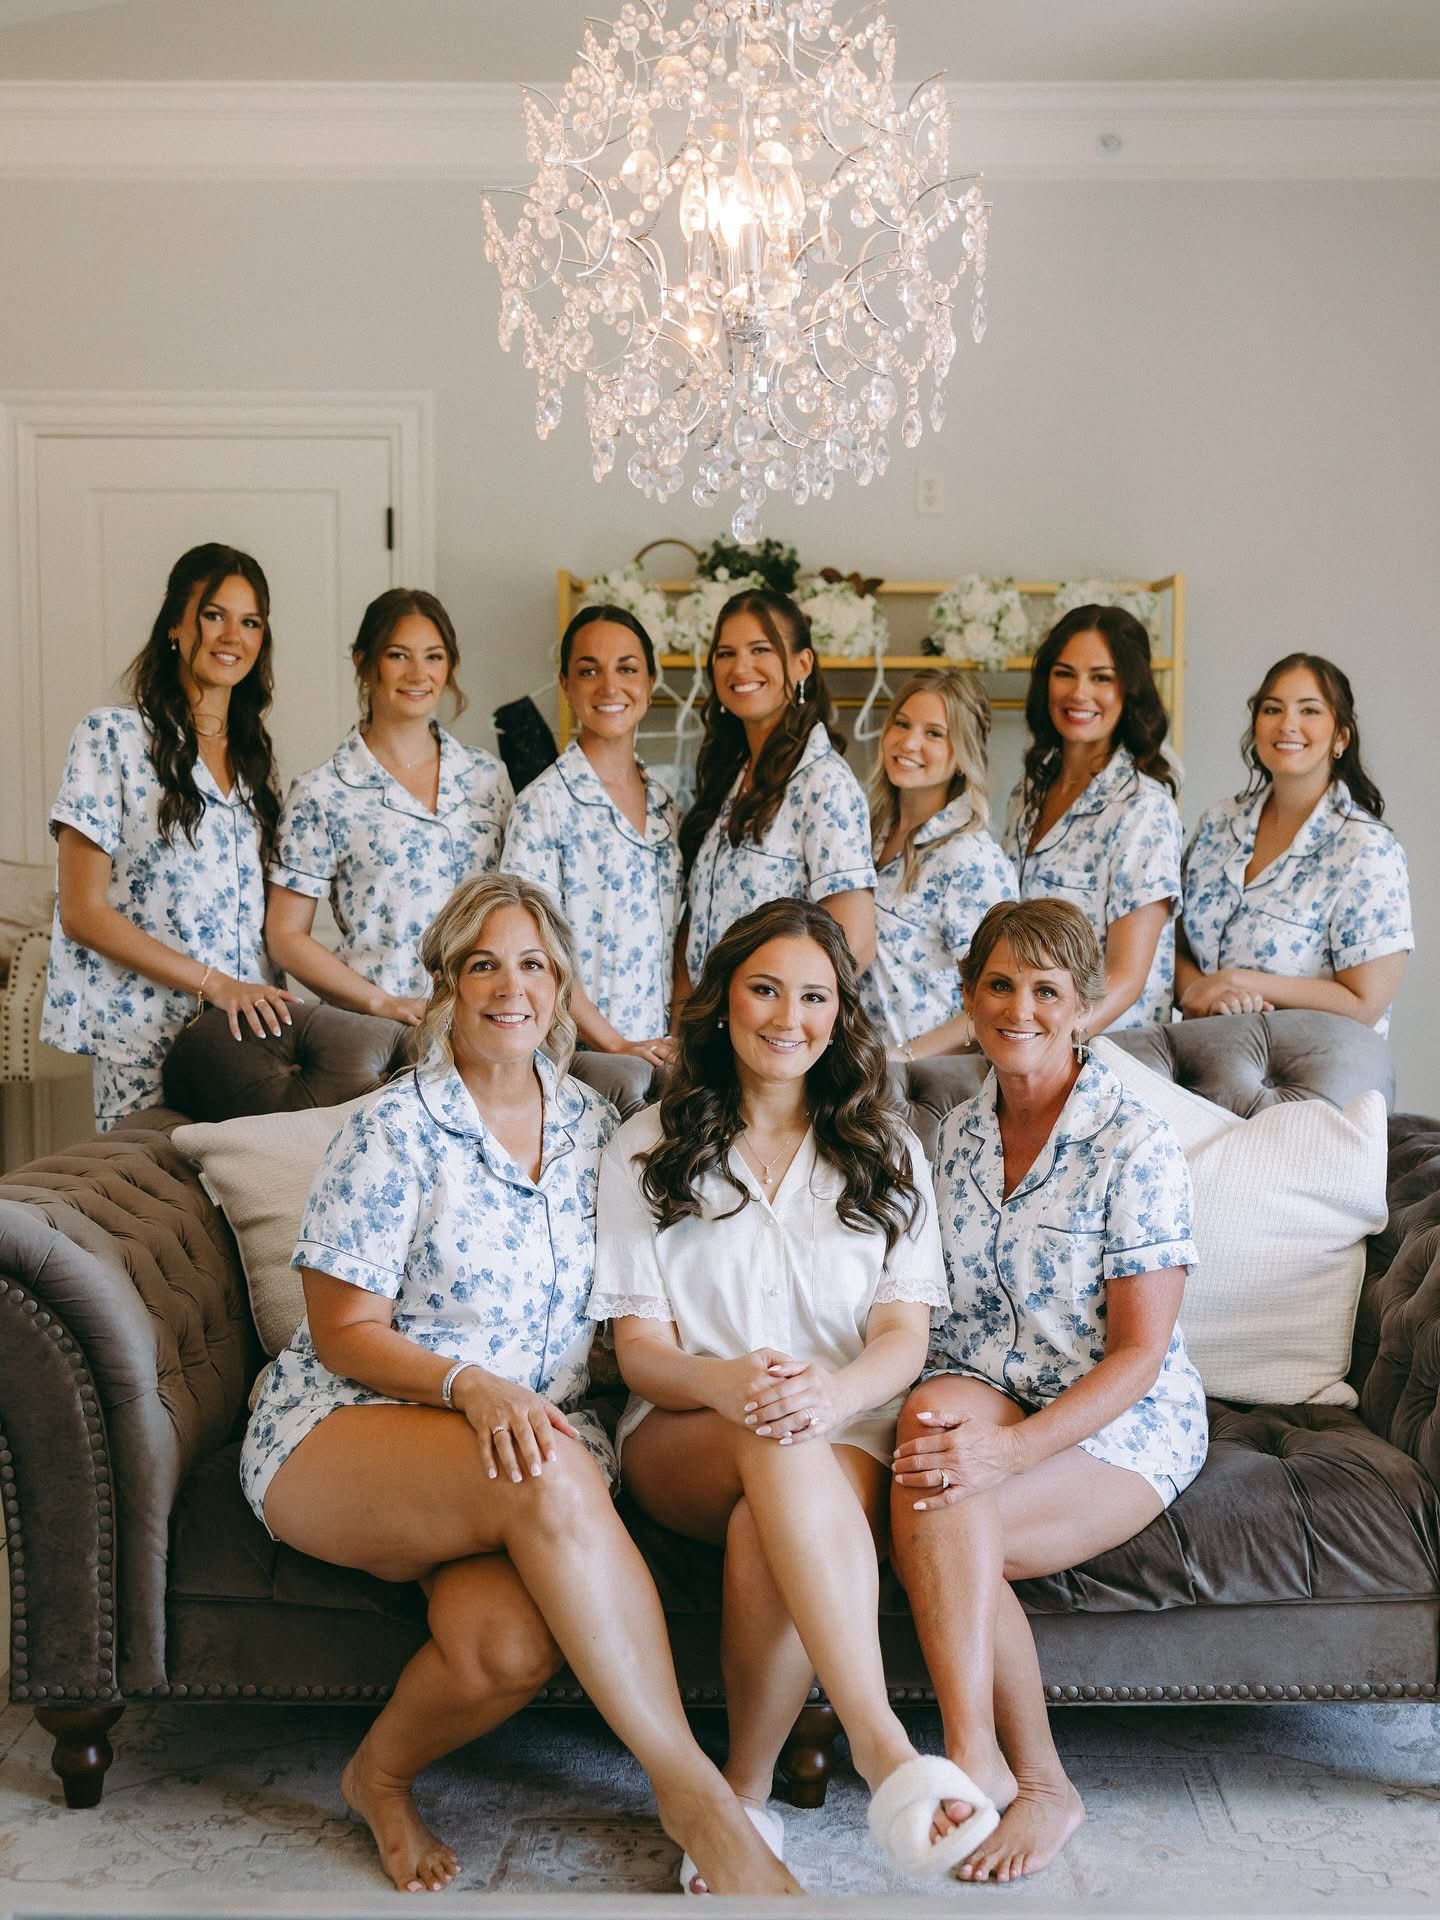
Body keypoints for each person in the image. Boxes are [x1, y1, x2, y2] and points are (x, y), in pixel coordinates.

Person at [240, 874, 801, 1899]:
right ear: (447, 984)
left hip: (518, 1448)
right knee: (546, 1467)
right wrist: (471, 1386)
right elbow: (341, 1331)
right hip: (353, 1428)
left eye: (534, 965)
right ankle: (701, 1805)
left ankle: (378, 1776)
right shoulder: (392, 1129)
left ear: (562, 987)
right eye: (483, 964)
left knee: (507, 1651)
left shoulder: (598, 1129)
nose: (511, 987)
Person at [590, 897, 1000, 1889]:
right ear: (723, 1003)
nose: (787, 1017)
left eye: (813, 996)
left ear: (839, 1014)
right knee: (770, 1435)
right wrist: (722, 1384)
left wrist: (834, 1392)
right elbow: (639, 1350)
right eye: (765, 989)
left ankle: (742, 1797)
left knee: (771, 1500)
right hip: (683, 1430)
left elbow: (904, 1337)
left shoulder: (889, 1147)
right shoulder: (642, 1147)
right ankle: (879, 1744)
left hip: (844, 1432)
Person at [890, 898, 1207, 1883]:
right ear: (969, 996)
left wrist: (1012, 1453)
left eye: (1045, 990)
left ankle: (1023, 1775)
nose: (1018, 1008)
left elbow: (1139, 1356)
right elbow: (943, 1317)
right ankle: (988, 1758)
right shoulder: (959, 1132)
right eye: (998, 985)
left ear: (1083, 1008)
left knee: (948, 1497)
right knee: (930, 1434)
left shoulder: (1135, 1143)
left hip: (1121, 1415)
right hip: (994, 1381)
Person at [42, 542, 297, 1128]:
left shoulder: (254, 762)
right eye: (214, 615)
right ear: (175, 627)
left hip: (244, 1044)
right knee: (143, 1211)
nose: (232, 635)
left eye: (250, 621)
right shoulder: (111, 739)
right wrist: (216, 984)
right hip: (144, 1038)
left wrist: (245, 994)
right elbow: (83, 911)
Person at [264, 588, 512, 1026]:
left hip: (486, 1024)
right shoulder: (323, 792)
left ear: (450, 665)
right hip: (380, 1035)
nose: (418, 673)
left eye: (434, 657)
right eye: (398, 655)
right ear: (364, 664)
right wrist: (381, 1003)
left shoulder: (487, 778)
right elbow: (284, 936)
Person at [1177, 652, 1410, 1031]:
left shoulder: (1366, 849)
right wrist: (1203, 993)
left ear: (1341, 737)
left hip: (1308, 1071)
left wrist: (1240, 981)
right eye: (1272, 710)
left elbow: (1365, 1002)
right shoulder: (1218, 824)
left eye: (1309, 711)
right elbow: (1172, 945)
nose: (1287, 724)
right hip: (1197, 1057)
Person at [677, 589, 875, 1012]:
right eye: (725, 653)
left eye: (760, 649)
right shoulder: (731, 774)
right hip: (708, 1036)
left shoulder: (824, 782)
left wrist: (777, 1017)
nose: (740, 667)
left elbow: (854, 941)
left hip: (771, 1042)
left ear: (802, 664)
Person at [502, 604, 681, 1068]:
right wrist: (616, 1045)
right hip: (578, 1062)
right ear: (565, 685)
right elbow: (531, 950)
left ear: (651, 681)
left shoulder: (666, 805)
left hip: (662, 1059)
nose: (609, 686)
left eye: (627, 668)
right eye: (588, 671)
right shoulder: (543, 805)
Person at [1002, 605, 1182, 1030]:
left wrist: (1050, 1043)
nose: (1079, 693)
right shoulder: (1027, 793)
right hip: (1023, 1038)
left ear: (1130, 689)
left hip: (1104, 1054)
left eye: (1101, 677)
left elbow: (1126, 978)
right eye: (1064, 673)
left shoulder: (1143, 808)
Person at [863, 668, 1018, 1060]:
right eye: (901, 724)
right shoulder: (864, 833)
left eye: (934, 733)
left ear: (963, 754)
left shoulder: (970, 859)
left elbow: (1001, 997)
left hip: (926, 1082)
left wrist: (904, 1056)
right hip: (855, 1071)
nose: (909, 742)